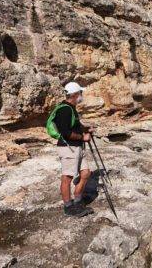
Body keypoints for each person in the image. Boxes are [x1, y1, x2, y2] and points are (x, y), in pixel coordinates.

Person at [54, 82, 94, 217]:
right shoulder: (64, 110)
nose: (82, 96)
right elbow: (65, 132)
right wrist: (83, 137)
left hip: (76, 147)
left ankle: (77, 199)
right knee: (67, 178)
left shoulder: (71, 108)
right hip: (68, 148)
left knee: (86, 173)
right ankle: (68, 206)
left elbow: (75, 126)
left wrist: (86, 129)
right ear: (75, 94)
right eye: (80, 93)